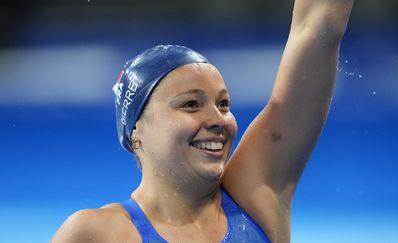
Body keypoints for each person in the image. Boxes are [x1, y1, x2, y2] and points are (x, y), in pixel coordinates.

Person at [52, 0, 354, 242]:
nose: (217, 119)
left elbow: (319, 26)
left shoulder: (257, 199)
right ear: (136, 132)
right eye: (190, 104)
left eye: (223, 104)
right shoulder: (98, 234)